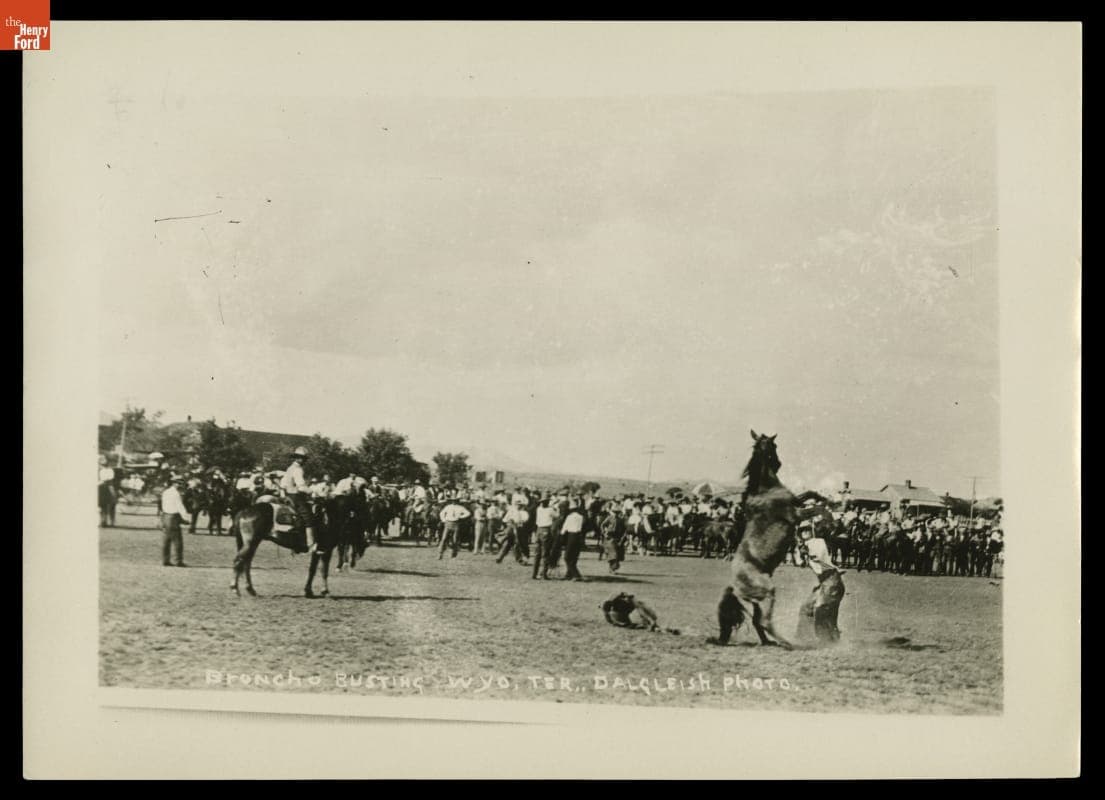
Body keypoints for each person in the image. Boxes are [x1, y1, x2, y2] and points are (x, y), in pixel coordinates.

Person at [796, 525, 846, 645]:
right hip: (825, 583)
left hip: (833, 582)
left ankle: (826, 641)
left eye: (807, 530)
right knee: (806, 607)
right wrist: (801, 553)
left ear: (812, 531)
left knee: (821, 610)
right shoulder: (804, 546)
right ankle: (805, 638)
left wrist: (807, 553)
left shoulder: (819, 542)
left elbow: (821, 563)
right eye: (802, 531)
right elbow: (800, 563)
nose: (805, 532)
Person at [280, 447, 316, 552]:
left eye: (304, 458)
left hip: (288, 495)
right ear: (298, 459)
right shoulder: (298, 470)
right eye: (302, 458)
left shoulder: (289, 468)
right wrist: (312, 492)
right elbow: (301, 487)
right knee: (308, 518)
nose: (304, 460)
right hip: (296, 496)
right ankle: (310, 544)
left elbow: (283, 484)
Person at [600, 592, 679, 634]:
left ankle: (659, 628)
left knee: (648, 620)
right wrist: (616, 624)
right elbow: (608, 617)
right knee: (637, 624)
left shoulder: (633, 601)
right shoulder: (612, 603)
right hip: (620, 613)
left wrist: (650, 620)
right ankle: (657, 628)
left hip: (626, 610)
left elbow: (641, 610)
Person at [159, 475, 190, 567]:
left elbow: (162, 505)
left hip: (165, 516)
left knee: (166, 540)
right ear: (175, 483)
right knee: (178, 541)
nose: (180, 485)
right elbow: (180, 507)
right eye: (179, 483)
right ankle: (178, 561)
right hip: (173, 518)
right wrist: (186, 518)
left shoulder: (165, 492)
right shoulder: (176, 494)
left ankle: (165, 560)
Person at [560, 501, 588, 581]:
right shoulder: (581, 517)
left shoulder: (569, 517)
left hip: (571, 536)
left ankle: (576, 575)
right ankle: (568, 574)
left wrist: (561, 536)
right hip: (579, 537)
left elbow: (565, 527)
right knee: (574, 557)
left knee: (567, 557)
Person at [531, 497, 556, 579]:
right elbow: (557, 515)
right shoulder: (550, 510)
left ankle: (534, 574)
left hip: (539, 530)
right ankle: (544, 574)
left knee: (537, 553)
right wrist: (554, 507)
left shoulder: (539, 509)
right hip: (546, 529)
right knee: (545, 553)